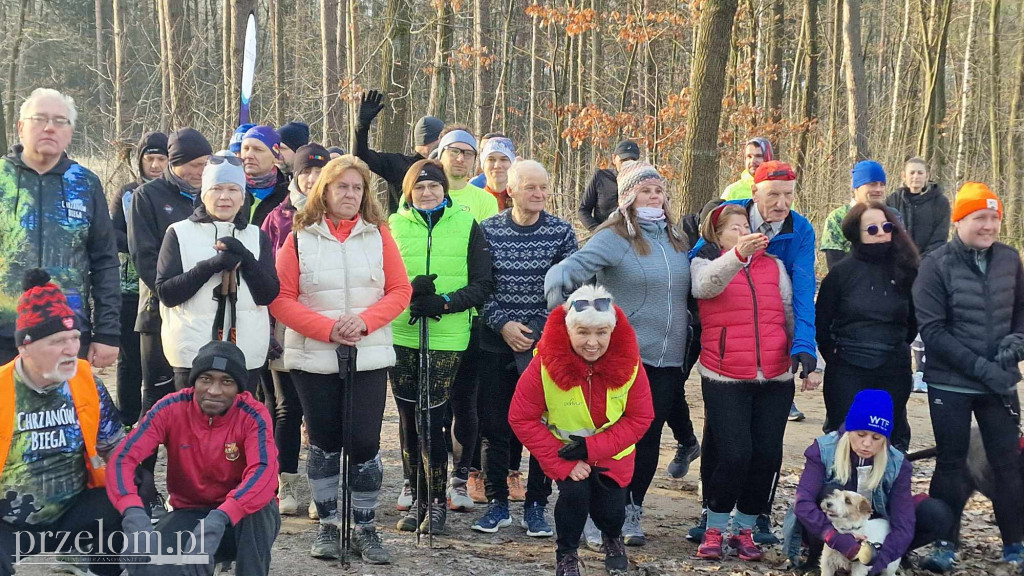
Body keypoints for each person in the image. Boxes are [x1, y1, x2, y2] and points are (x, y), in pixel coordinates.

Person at [269, 154, 412, 564]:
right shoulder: (299, 235)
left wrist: (364, 323)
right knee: (326, 441)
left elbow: (399, 290)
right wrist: (327, 329)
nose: (349, 194)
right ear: (324, 191)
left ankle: (365, 527)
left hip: (367, 353)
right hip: (313, 356)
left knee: (365, 441)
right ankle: (330, 525)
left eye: (357, 187)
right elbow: (281, 296)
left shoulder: (379, 234)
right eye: (341, 187)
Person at [546, 161, 695, 548]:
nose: (654, 197)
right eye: (646, 191)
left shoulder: (676, 238)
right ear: (628, 196)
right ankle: (598, 512)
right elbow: (569, 270)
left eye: (659, 191)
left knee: (647, 437)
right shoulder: (614, 236)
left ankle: (632, 510)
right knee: (610, 436)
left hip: (668, 359)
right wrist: (561, 311)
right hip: (624, 358)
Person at [689, 160, 819, 544]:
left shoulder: (799, 230)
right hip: (725, 359)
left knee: (766, 449)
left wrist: (805, 345)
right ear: (755, 194)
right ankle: (710, 513)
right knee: (725, 441)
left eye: (788, 196)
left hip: (773, 361)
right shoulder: (731, 219)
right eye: (773, 196)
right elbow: (700, 273)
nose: (781, 204)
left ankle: (755, 517)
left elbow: (800, 289)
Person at [912, 183, 1024, 572]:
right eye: (980, 218)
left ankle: (1015, 544)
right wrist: (983, 369)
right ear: (960, 221)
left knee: (1007, 463)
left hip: (999, 383)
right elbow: (933, 331)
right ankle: (944, 542)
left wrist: (1016, 343)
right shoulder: (936, 264)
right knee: (950, 460)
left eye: (994, 218)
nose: (989, 225)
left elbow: (1020, 313)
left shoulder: (1010, 259)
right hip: (951, 383)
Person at [509, 285, 654, 576]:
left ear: (612, 331)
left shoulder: (631, 362)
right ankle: (566, 554)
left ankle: (612, 538)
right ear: (568, 330)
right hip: (565, 453)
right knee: (573, 499)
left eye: (601, 332)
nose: (592, 342)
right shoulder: (544, 364)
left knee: (611, 512)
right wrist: (558, 458)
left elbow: (640, 417)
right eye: (583, 332)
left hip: (614, 455)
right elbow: (521, 417)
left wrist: (592, 448)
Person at [108, 340, 280, 576]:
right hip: (189, 510)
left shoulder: (252, 413)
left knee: (260, 506)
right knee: (150, 566)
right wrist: (132, 512)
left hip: (239, 517)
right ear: (194, 381)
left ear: (240, 388)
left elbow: (264, 472)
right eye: (206, 379)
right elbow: (122, 459)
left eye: (226, 381)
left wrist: (221, 516)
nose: (214, 390)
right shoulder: (170, 407)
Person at [472, 160, 577, 537]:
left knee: (544, 427)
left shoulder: (561, 233)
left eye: (544, 187)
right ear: (511, 190)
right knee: (494, 426)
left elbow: (570, 292)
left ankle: (536, 504)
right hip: (495, 342)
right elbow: (480, 287)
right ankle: (497, 502)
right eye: (531, 187)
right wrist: (503, 324)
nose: (539, 194)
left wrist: (537, 330)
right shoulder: (488, 230)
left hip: (545, 345)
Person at [389, 159, 493, 533]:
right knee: (407, 417)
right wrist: (408, 294)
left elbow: (483, 284)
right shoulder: (394, 225)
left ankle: (435, 504)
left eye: (434, 186)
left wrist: (444, 302)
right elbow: (380, 279)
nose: (427, 193)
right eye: (420, 187)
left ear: (445, 190)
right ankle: (415, 497)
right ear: (409, 191)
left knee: (433, 419)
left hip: (449, 335)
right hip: (401, 333)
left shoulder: (466, 225)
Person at [0, 270, 126, 576]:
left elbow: (117, 448)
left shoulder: (84, 380)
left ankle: (87, 565)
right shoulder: (3, 388)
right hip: (8, 524)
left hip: (73, 513)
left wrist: (134, 479)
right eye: (58, 341)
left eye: (75, 338)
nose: (71, 350)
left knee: (125, 497)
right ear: (25, 347)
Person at [0, 88, 120, 368]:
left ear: (70, 131)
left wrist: (108, 333)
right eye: (40, 119)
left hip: (67, 334)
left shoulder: (85, 183)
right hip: (4, 333)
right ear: (21, 127)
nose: (49, 128)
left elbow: (105, 262)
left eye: (59, 121)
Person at [787, 390, 953, 573]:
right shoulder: (822, 449)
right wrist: (836, 538)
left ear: (885, 439)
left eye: (876, 438)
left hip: (877, 529)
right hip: (830, 531)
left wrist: (878, 561)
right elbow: (802, 504)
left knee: (936, 514)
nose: (867, 444)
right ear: (849, 429)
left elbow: (903, 523)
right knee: (829, 492)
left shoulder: (897, 463)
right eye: (860, 434)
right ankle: (816, 557)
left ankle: (892, 554)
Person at [155, 151, 279, 389]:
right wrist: (211, 265)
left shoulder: (256, 235)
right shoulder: (179, 233)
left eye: (233, 190)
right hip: (191, 350)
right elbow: (167, 293)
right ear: (204, 194)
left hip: (245, 351)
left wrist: (246, 258)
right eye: (217, 189)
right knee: (192, 424)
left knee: (240, 424)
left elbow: (268, 294)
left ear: (243, 197)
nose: (225, 197)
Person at [429, 126, 499, 512]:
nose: (459, 158)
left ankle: (461, 476)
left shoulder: (483, 201)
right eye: (452, 151)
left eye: (466, 153)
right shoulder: (416, 193)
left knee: (464, 404)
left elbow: (484, 265)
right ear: (439, 154)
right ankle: (425, 477)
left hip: (469, 319)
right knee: (429, 406)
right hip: (423, 323)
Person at [816, 202, 919, 451]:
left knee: (888, 439)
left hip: (892, 366)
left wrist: (896, 348)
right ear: (857, 235)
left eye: (886, 226)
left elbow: (914, 321)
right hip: (848, 366)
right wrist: (838, 356)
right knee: (846, 439)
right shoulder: (841, 274)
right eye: (872, 229)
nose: (881, 233)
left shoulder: (907, 270)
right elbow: (822, 322)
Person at [261, 143, 329, 516]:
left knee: (320, 411)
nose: (313, 178)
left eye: (320, 172)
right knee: (287, 409)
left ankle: (323, 487)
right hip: (285, 325)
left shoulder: (340, 215)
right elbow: (265, 276)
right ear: (296, 175)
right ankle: (284, 482)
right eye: (306, 171)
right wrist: (268, 329)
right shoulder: (277, 218)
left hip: (326, 324)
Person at [129, 127, 213, 426]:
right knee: (156, 397)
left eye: (206, 164)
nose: (201, 172)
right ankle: (143, 471)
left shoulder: (211, 195)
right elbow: (143, 256)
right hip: (158, 311)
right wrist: (173, 293)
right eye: (194, 165)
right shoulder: (146, 196)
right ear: (174, 164)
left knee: (200, 399)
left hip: (205, 314)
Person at [110, 131, 168, 427]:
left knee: (159, 359)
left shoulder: (175, 194)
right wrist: (140, 242)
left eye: (161, 158)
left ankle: (160, 416)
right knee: (129, 358)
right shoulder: (128, 193)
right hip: (130, 286)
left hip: (165, 287)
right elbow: (113, 233)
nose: (155, 165)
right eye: (150, 158)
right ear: (140, 160)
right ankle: (127, 415)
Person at [885, 157, 950, 393]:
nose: (915, 177)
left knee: (925, 317)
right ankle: (903, 368)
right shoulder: (893, 200)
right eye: (911, 173)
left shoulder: (940, 202)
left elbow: (940, 237)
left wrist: (922, 262)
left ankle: (923, 370)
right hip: (899, 267)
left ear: (926, 175)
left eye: (920, 173)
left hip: (929, 267)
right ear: (904, 176)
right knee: (903, 315)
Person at [354, 89, 444, 212]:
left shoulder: (444, 168)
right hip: (402, 229)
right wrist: (361, 127)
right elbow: (361, 156)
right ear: (434, 139)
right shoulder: (400, 165)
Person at [820, 160, 888, 270]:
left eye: (882, 184)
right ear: (857, 187)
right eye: (872, 184)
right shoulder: (837, 218)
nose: (879, 189)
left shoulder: (891, 216)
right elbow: (835, 267)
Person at [577, 140, 640, 231]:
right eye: (623, 160)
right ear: (614, 159)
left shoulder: (644, 183)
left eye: (632, 160)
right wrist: (597, 231)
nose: (627, 164)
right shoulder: (601, 177)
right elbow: (583, 211)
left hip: (634, 237)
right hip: (604, 235)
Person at [240, 125, 290, 227]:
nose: (249, 155)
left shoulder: (288, 195)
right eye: (245, 148)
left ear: (275, 157)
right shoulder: (229, 187)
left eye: (258, 150)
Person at [477, 136, 516, 210]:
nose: (497, 165)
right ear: (483, 165)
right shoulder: (474, 200)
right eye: (491, 159)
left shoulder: (521, 201)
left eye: (503, 159)